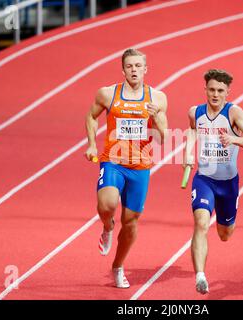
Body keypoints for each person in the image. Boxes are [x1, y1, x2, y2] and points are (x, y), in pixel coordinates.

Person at [85, 48, 168, 288]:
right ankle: (106, 226)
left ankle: (118, 266)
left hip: (140, 167)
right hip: (113, 161)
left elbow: (163, 138)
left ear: (145, 70)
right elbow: (91, 117)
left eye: (138, 66)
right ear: (123, 70)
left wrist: (158, 119)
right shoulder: (108, 94)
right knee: (107, 204)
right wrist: (91, 144)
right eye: (129, 66)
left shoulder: (158, 98)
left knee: (131, 222)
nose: (134, 70)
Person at [183, 69, 243, 294]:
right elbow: (192, 131)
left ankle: (223, 217)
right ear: (205, 90)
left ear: (228, 92)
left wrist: (233, 138)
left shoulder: (233, 113)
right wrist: (188, 151)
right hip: (204, 179)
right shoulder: (195, 112)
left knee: (225, 234)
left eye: (220, 91)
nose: (215, 95)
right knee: (201, 224)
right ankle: (200, 276)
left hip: (228, 184)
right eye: (211, 90)